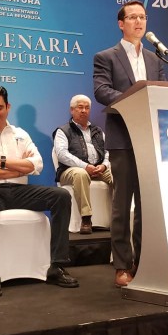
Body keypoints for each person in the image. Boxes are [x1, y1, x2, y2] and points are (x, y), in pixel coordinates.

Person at [0, 84, 78, 297]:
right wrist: (20, 167)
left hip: (19, 191)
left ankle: (57, 265)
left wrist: (0, 161)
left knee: (61, 195)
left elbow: (37, 164)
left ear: (8, 107)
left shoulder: (20, 133)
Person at [93, 0, 166, 287]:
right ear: (121, 24)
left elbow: (162, 93)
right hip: (123, 138)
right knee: (122, 204)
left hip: (150, 139)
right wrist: (135, 100)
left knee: (148, 204)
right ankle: (122, 265)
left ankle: (144, 261)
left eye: (143, 17)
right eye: (133, 17)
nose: (139, 21)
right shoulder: (106, 57)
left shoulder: (155, 59)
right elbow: (101, 90)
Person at [52, 94, 113, 235]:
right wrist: (85, 166)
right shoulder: (63, 131)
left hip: (98, 168)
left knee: (118, 174)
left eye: (87, 108)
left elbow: (107, 151)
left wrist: (104, 165)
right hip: (70, 171)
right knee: (80, 174)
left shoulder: (98, 131)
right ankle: (86, 218)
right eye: (80, 107)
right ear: (72, 110)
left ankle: (119, 216)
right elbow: (61, 154)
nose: (84, 110)